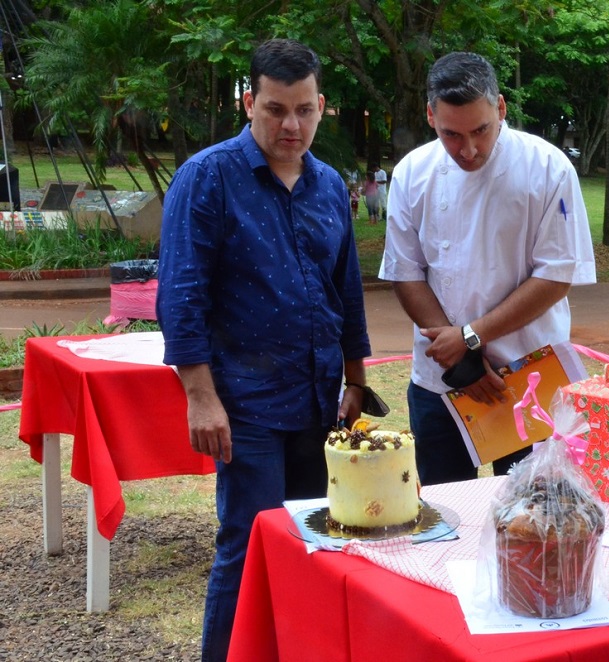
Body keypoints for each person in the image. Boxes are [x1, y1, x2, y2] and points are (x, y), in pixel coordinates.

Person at [155, 38, 371, 662]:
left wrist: (356, 378)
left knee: (312, 542)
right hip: (244, 403)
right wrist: (200, 398)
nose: (291, 125)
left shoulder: (328, 186)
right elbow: (182, 295)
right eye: (276, 109)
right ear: (250, 103)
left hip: (318, 400)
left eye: (304, 110)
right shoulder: (208, 177)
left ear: (321, 106)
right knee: (249, 545)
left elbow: (345, 289)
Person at [379, 51, 595, 486]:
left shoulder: (547, 168)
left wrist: (470, 338)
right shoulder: (412, 173)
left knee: (534, 511)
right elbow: (406, 271)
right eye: (451, 134)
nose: (469, 149)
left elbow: (556, 275)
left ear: (500, 108)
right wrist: (463, 361)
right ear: (430, 116)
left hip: (528, 376)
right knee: (445, 507)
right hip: (440, 380)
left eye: (481, 130)